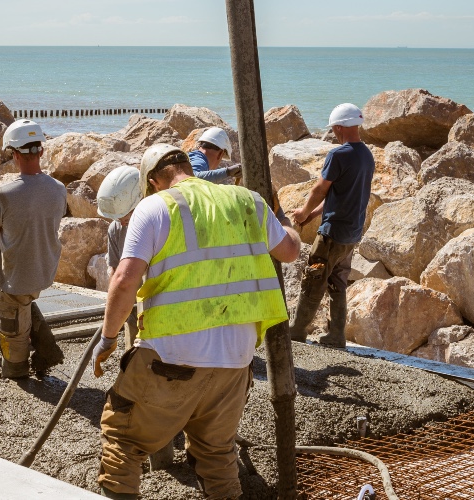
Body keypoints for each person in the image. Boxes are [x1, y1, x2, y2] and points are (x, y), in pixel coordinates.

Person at [91, 144, 301, 500]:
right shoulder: (248, 201)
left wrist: (109, 338)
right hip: (235, 363)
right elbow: (291, 251)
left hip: (172, 357)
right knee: (217, 453)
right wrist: (284, 220)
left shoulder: (155, 207)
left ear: (153, 180)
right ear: (189, 166)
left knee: (123, 439)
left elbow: (125, 281)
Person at [0, 119, 67, 379]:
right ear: (40, 151)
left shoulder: (2, 194)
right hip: (43, 271)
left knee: (10, 321)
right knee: (25, 299)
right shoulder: (59, 189)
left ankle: (16, 370)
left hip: (14, 278)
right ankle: (47, 348)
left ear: (14, 154)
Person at [289, 103, 375, 348]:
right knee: (338, 282)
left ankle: (297, 330)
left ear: (339, 127)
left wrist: (303, 211)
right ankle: (336, 335)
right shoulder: (366, 156)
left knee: (313, 278)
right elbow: (339, 195)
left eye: (334, 129)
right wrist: (312, 215)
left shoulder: (338, 155)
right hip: (352, 233)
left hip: (332, 233)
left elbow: (320, 189)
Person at [96, 165, 143, 350]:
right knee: (133, 354)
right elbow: (115, 272)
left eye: (125, 215)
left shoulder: (160, 223)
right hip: (131, 305)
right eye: (117, 217)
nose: (121, 221)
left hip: (159, 305)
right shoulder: (116, 229)